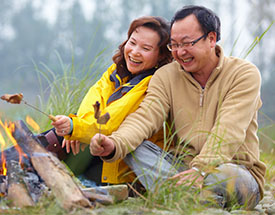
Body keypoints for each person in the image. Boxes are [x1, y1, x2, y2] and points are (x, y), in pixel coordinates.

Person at [90, 5, 266, 210]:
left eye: (187, 43)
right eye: (174, 45)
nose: (180, 52)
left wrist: (201, 171)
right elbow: (145, 117)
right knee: (134, 147)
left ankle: (175, 196)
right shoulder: (166, 76)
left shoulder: (243, 74)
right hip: (180, 170)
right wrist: (115, 144)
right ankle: (194, 200)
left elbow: (229, 130)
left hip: (233, 171)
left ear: (211, 38)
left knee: (225, 175)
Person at [43, 15, 172, 185]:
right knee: (58, 136)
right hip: (101, 152)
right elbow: (90, 106)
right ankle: (12, 168)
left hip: (125, 170)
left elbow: (111, 123)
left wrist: (75, 128)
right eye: (132, 43)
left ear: (161, 56)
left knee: (60, 137)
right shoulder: (116, 72)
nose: (134, 52)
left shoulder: (153, 84)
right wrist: (75, 128)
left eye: (146, 48)